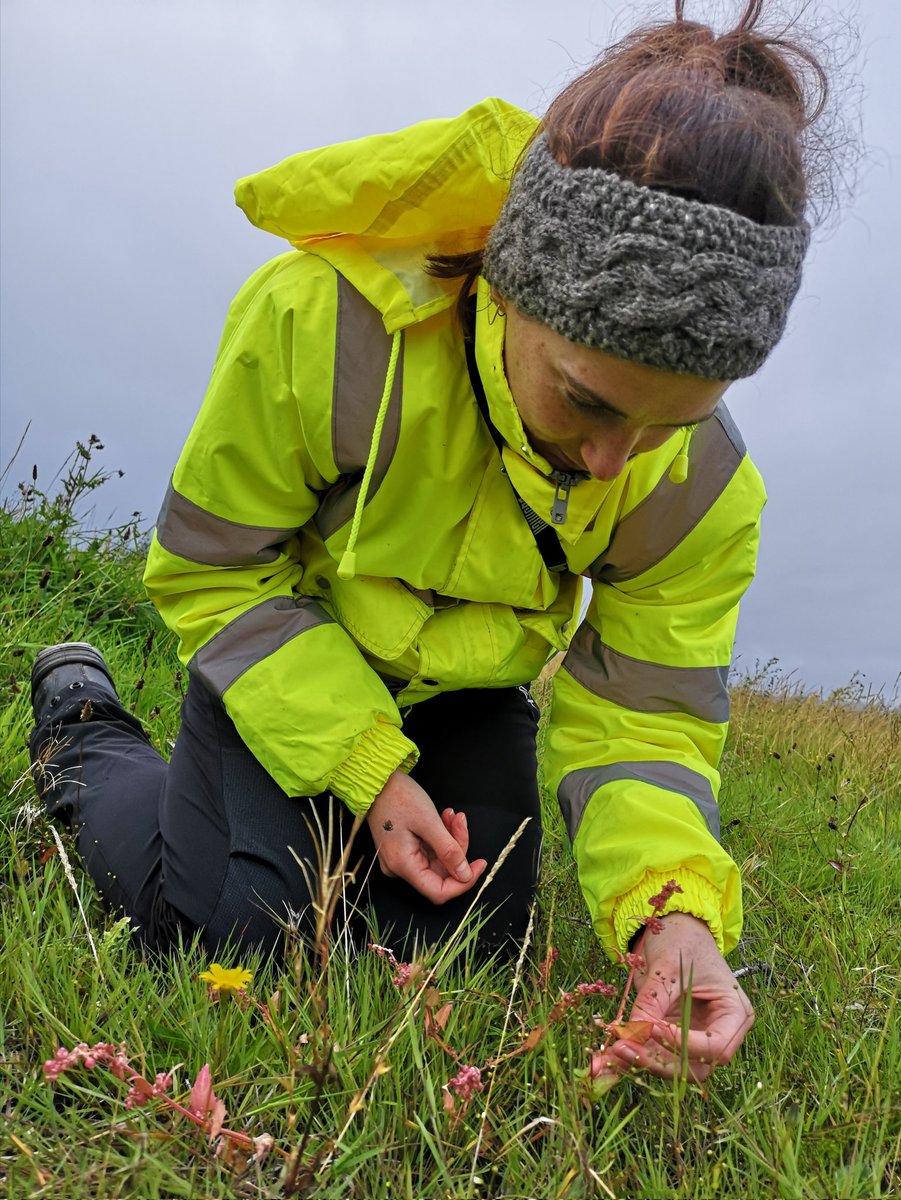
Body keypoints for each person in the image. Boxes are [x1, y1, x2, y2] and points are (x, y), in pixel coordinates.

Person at [29, 1, 829, 1083]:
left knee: (462, 965)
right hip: (287, 648)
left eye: (671, 421)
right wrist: (363, 770)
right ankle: (88, 730)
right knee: (239, 940)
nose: (616, 462)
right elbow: (215, 571)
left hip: (465, 697)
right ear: (506, 288)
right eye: (589, 401)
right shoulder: (325, 325)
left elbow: (645, 719)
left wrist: (670, 913)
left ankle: (234, 811)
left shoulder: (701, 487)